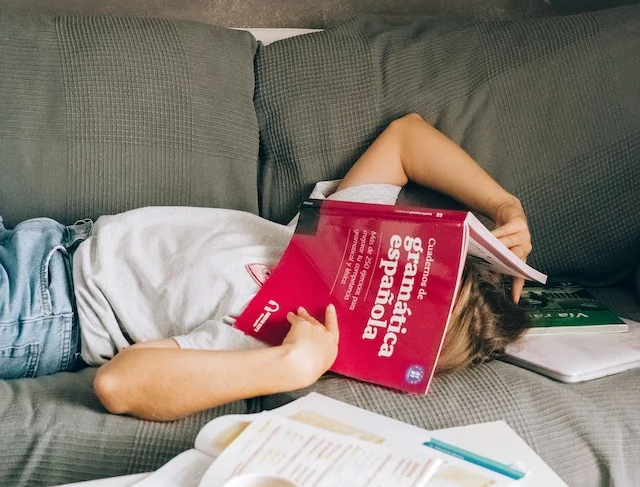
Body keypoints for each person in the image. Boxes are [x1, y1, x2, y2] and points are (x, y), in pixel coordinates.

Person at [0, 114, 531, 420]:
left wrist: (287, 367)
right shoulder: (337, 239)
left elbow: (119, 385)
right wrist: (505, 205)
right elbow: (406, 137)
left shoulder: (272, 337)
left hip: (42, 314)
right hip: (49, 241)